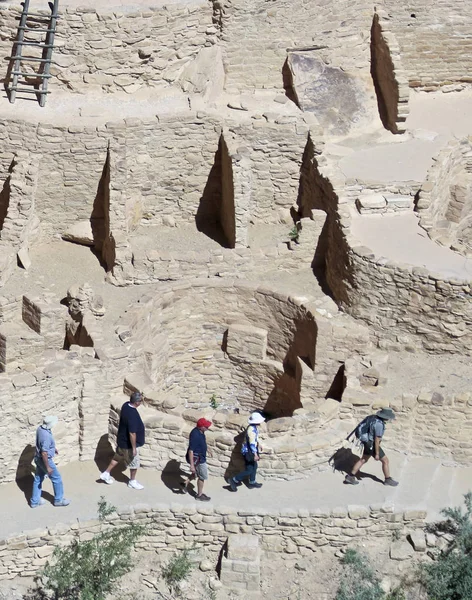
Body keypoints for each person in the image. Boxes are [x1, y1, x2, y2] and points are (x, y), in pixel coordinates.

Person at [100, 391, 146, 490]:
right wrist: (134, 448)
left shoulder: (126, 405)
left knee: (117, 457)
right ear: (137, 402)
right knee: (134, 463)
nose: (141, 403)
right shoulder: (132, 415)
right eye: (141, 401)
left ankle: (106, 473)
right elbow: (132, 433)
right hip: (128, 445)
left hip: (122, 441)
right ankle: (132, 481)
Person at [344, 408, 399, 486]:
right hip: (372, 445)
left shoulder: (372, 417)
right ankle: (387, 479)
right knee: (385, 461)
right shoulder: (379, 424)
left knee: (363, 460)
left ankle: (350, 477)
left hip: (366, 443)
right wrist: (376, 453)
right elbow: (377, 440)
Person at [30, 416, 70, 508]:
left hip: (37, 458)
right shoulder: (46, 436)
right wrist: (48, 467)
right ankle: (58, 500)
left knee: (38, 479)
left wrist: (52, 448)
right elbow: (44, 453)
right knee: (57, 478)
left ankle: (34, 502)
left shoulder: (40, 429)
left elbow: (42, 444)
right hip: (44, 460)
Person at [229, 412, 265, 492]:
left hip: (250, 450)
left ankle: (252, 482)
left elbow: (255, 438)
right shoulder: (251, 430)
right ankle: (234, 479)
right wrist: (255, 454)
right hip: (249, 452)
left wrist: (259, 444)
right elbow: (252, 443)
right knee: (249, 469)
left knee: (254, 466)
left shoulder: (253, 427)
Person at [181, 417, 212, 501]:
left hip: (200, 457)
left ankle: (185, 483)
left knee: (196, 473)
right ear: (201, 427)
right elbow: (191, 451)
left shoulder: (200, 431)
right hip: (198, 459)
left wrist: (207, 449)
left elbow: (202, 442)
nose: (207, 428)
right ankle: (199, 495)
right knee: (202, 477)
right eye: (206, 426)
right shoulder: (195, 436)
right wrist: (192, 465)